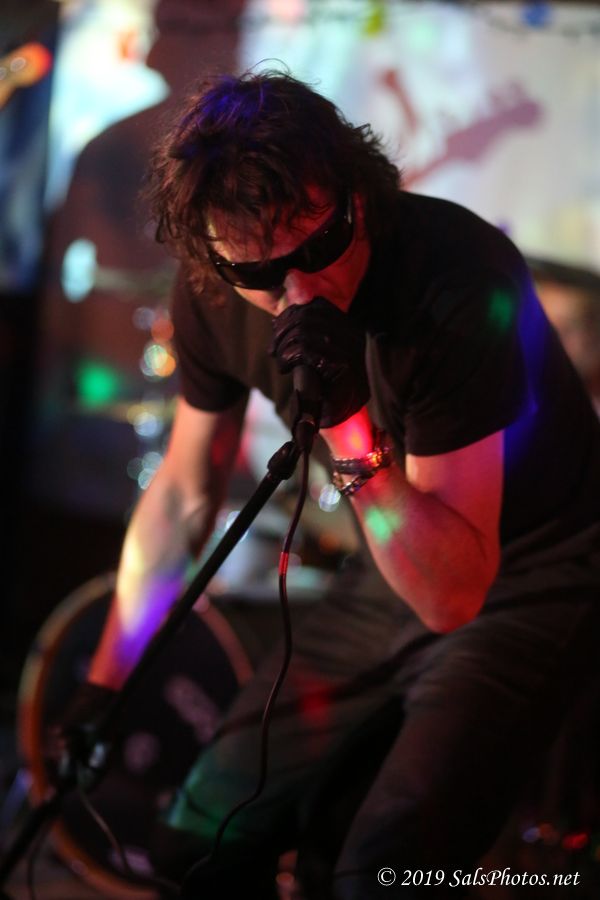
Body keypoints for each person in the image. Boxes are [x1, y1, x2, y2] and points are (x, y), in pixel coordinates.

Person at [59, 70, 600, 899]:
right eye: (262, 274)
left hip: (535, 573)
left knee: (379, 872)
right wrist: (108, 678)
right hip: (392, 569)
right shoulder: (212, 289)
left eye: (318, 248)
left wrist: (348, 419)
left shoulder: (456, 280)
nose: (299, 291)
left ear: (359, 196)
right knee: (200, 837)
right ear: (213, 256)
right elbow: (185, 491)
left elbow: (453, 595)